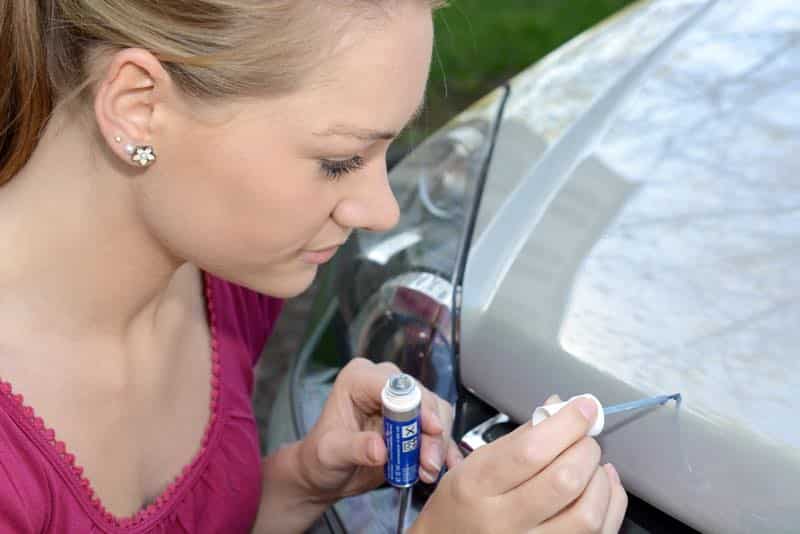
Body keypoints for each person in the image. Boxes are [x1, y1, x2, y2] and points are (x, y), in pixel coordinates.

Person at [0, 0, 628, 532]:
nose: (381, 210)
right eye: (338, 160)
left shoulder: (229, 282)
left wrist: (297, 484)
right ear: (139, 106)